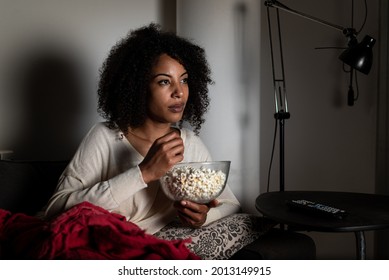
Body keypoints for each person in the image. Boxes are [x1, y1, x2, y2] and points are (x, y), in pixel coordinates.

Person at [44, 23, 269, 259]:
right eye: (164, 81)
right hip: (106, 246)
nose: (179, 92)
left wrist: (203, 217)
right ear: (138, 87)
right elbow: (56, 210)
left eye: (184, 80)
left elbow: (230, 204)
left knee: (248, 222)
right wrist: (144, 173)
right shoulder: (105, 136)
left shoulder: (189, 143)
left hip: (156, 248)